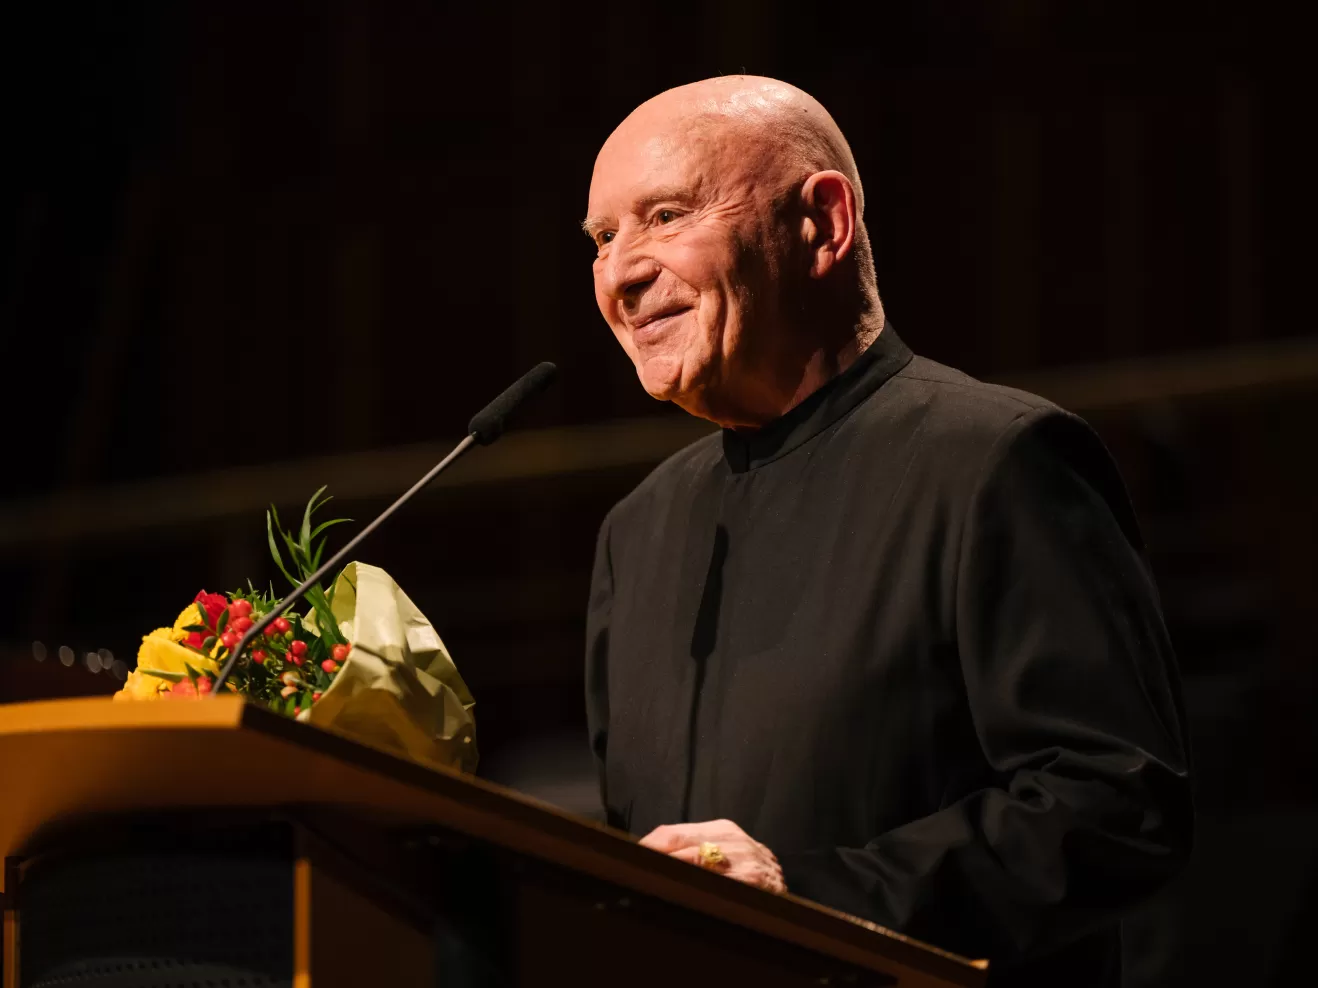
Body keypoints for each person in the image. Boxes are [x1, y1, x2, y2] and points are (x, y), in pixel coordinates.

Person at [582, 76, 1192, 987]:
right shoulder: (639, 534)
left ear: (822, 224)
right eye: (601, 238)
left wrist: (811, 896)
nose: (622, 273)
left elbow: (1113, 802)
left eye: (665, 215)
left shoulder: (997, 460)